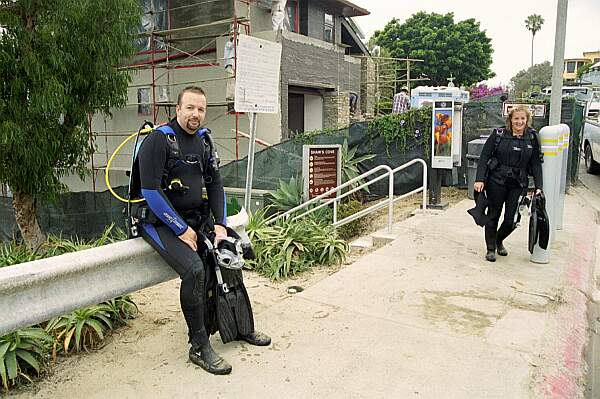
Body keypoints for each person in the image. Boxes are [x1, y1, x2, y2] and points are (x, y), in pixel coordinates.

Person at [134, 86, 270, 375]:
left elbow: (215, 184)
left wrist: (220, 225)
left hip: (196, 218)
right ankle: (198, 346)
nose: (195, 114)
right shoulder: (158, 141)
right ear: (178, 109)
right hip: (159, 221)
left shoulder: (205, 141)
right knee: (195, 270)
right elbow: (150, 191)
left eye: (201, 109)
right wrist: (181, 229)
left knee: (227, 253)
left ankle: (239, 326)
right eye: (190, 108)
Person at [473, 105, 543, 262]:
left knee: (511, 220)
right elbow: (484, 156)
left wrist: (539, 187)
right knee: (493, 215)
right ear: (510, 120)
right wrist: (479, 180)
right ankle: (491, 248)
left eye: (522, 119)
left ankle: (498, 240)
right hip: (496, 181)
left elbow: (536, 163)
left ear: (527, 120)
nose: (519, 122)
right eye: (516, 118)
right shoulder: (499, 134)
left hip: (519, 184)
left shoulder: (532, 137)